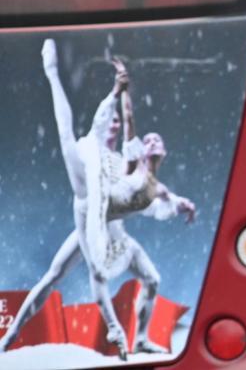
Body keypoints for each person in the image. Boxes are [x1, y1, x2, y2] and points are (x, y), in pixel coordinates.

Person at [0, 42, 195, 358]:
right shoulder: (91, 145)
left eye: (117, 121)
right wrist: (117, 91)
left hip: (105, 225)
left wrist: (179, 202)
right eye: (112, 120)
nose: (115, 123)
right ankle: (10, 336)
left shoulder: (123, 161)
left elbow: (150, 193)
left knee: (135, 276)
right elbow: (108, 119)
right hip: (86, 207)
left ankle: (135, 335)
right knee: (56, 275)